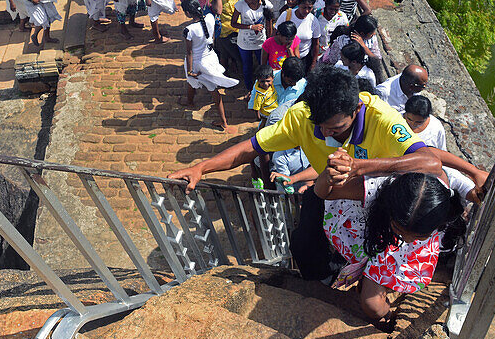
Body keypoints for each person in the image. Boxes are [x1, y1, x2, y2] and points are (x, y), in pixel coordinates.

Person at [170, 65, 443, 282]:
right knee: (303, 244)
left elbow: (430, 163)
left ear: (357, 108)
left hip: (373, 197)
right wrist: (201, 168)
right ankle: (322, 281)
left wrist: (363, 167)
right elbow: (251, 148)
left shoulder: (382, 118)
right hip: (326, 190)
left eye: (336, 128)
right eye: (320, 126)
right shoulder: (301, 116)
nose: (325, 135)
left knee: (373, 249)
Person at [316, 170, 470, 331]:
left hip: (401, 246)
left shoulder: (442, 197)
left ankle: (377, 291)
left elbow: (444, 167)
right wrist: (328, 175)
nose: (409, 239)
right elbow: (323, 192)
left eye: (420, 236)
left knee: (373, 305)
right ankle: (385, 311)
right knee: (373, 306)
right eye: (400, 228)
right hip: (370, 228)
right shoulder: (371, 189)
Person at [178, 0, 238, 131]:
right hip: (210, 58)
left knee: (192, 80)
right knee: (213, 90)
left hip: (198, 63)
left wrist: (190, 70)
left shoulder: (189, 30)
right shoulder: (210, 18)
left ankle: (191, 102)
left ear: (188, 13)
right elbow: (216, 10)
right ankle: (221, 120)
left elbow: (189, 53)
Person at [231, 0, 270, 90]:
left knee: (263, 66)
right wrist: (250, 27)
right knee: (247, 67)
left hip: (261, 43)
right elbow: (233, 23)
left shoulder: (266, 5)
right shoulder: (240, 5)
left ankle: (263, 88)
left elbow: (269, 22)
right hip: (244, 43)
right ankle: (249, 89)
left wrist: (269, 40)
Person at [276, 0, 324, 72]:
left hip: (304, 60)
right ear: (298, 4)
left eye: (309, 8)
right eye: (304, 7)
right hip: (284, 58)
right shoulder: (286, 15)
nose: (306, 11)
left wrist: (313, 63)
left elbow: (316, 43)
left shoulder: (313, 20)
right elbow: (275, 35)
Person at [214, 0, 243, 75]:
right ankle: (223, 76)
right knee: (225, 56)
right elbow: (218, 10)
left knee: (230, 55)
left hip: (238, 27)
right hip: (224, 31)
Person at [350, 15, 388, 84]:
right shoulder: (345, 40)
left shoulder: (372, 39)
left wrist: (364, 47)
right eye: (371, 33)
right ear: (362, 34)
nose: (374, 34)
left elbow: (377, 59)